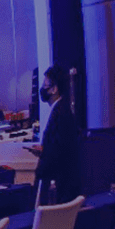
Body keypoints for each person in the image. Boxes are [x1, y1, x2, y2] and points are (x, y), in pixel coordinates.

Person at [29, 67, 84, 204]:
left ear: (54, 89)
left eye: (45, 85)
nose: (42, 89)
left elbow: (58, 151)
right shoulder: (62, 110)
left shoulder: (60, 113)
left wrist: (43, 153)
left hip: (59, 187)